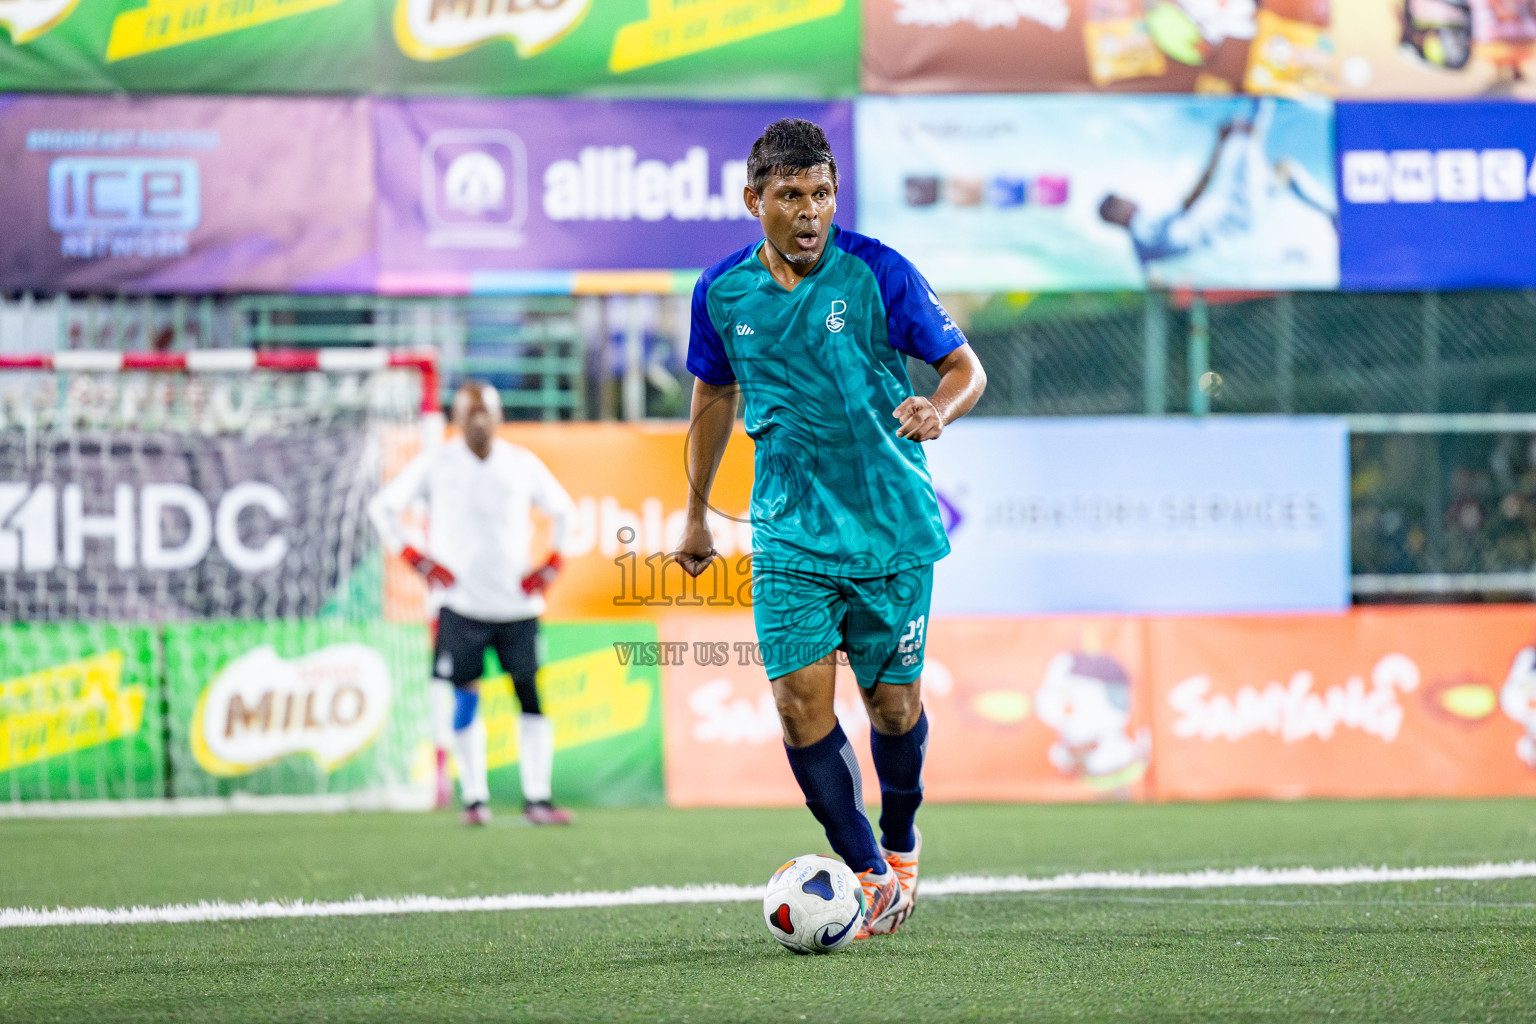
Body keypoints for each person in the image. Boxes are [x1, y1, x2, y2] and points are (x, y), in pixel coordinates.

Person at [676, 118, 986, 939]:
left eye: (821, 195)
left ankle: (901, 840)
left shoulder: (879, 272)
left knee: (892, 712)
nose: (809, 211)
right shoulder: (721, 293)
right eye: (790, 196)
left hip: (889, 530)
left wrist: (939, 406)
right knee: (797, 706)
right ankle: (871, 875)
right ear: (755, 201)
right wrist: (697, 513)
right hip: (790, 535)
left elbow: (965, 368)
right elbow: (712, 400)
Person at [368, 380, 575, 827]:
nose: (480, 420)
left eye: (487, 412)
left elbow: (565, 511)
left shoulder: (521, 465)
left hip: (517, 609)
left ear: (499, 417)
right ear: (457, 419)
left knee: (530, 696)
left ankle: (537, 797)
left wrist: (551, 565)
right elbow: (384, 508)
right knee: (464, 698)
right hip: (460, 605)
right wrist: (415, 558)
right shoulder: (437, 464)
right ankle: (475, 799)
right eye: (471, 413)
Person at [1098, 98, 1336, 287]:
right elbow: (1191, 200)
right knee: (1248, 137)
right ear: (1118, 214)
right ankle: (1262, 90)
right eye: (1122, 201)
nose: (1130, 198)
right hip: (1237, 212)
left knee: (1284, 169)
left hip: (1238, 226)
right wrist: (1219, 143)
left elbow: (1152, 280)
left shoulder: (1138, 248)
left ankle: (1329, 214)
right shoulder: (1143, 227)